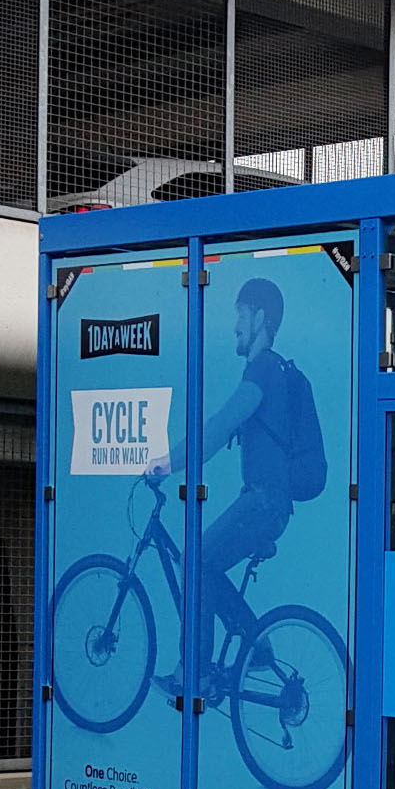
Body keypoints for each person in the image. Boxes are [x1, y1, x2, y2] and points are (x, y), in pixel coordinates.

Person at [149, 277, 297, 701]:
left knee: (196, 560)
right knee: (203, 563)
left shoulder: (264, 370)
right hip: (264, 502)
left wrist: (167, 462)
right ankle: (253, 643)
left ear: (260, 318)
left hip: (265, 502)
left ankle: (193, 674)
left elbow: (219, 426)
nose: (235, 325)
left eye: (240, 314)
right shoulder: (269, 371)